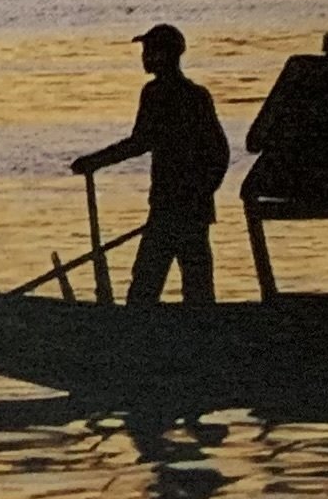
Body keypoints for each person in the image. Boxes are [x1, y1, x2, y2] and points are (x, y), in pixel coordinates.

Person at [74, 23, 230, 304]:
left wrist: (95, 161)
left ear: (165, 55)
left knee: (150, 286)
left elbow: (141, 142)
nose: (144, 57)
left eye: (149, 51)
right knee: (192, 287)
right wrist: (203, 193)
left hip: (175, 208)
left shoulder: (164, 95)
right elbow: (219, 154)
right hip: (181, 206)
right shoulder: (189, 95)